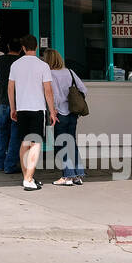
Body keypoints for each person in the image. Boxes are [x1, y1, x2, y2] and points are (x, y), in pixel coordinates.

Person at [8, 34, 56, 191]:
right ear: (36, 47)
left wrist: (13, 108)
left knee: (24, 143)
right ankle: (28, 179)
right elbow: (48, 90)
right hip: (37, 109)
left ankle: (27, 177)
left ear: (23, 48)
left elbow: (10, 88)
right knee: (35, 143)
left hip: (21, 108)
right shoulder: (43, 66)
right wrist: (52, 111)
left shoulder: (16, 65)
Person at [45, 48, 87, 185]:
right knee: (71, 142)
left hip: (59, 113)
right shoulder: (70, 72)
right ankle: (78, 175)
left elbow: (54, 95)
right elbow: (83, 89)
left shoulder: (50, 74)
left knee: (61, 144)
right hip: (72, 113)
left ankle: (67, 176)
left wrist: (53, 110)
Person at [0, 36, 21, 172]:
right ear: (21, 49)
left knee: (2, 132)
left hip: (3, 100)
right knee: (15, 134)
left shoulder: (0, 60)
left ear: (8, 47)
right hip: (17, 101)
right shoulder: (21, 62)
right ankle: (10, 165)